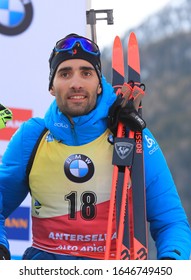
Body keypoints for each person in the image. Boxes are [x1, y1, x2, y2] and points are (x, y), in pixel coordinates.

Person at [0, 33, 191, 260]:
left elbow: (171, 220)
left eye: (86, 73)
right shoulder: (32, 137)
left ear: (99, 85)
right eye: (64, 73)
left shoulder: (131, 135)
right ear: (51, 86)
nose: (76, 83)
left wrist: (171, 261)